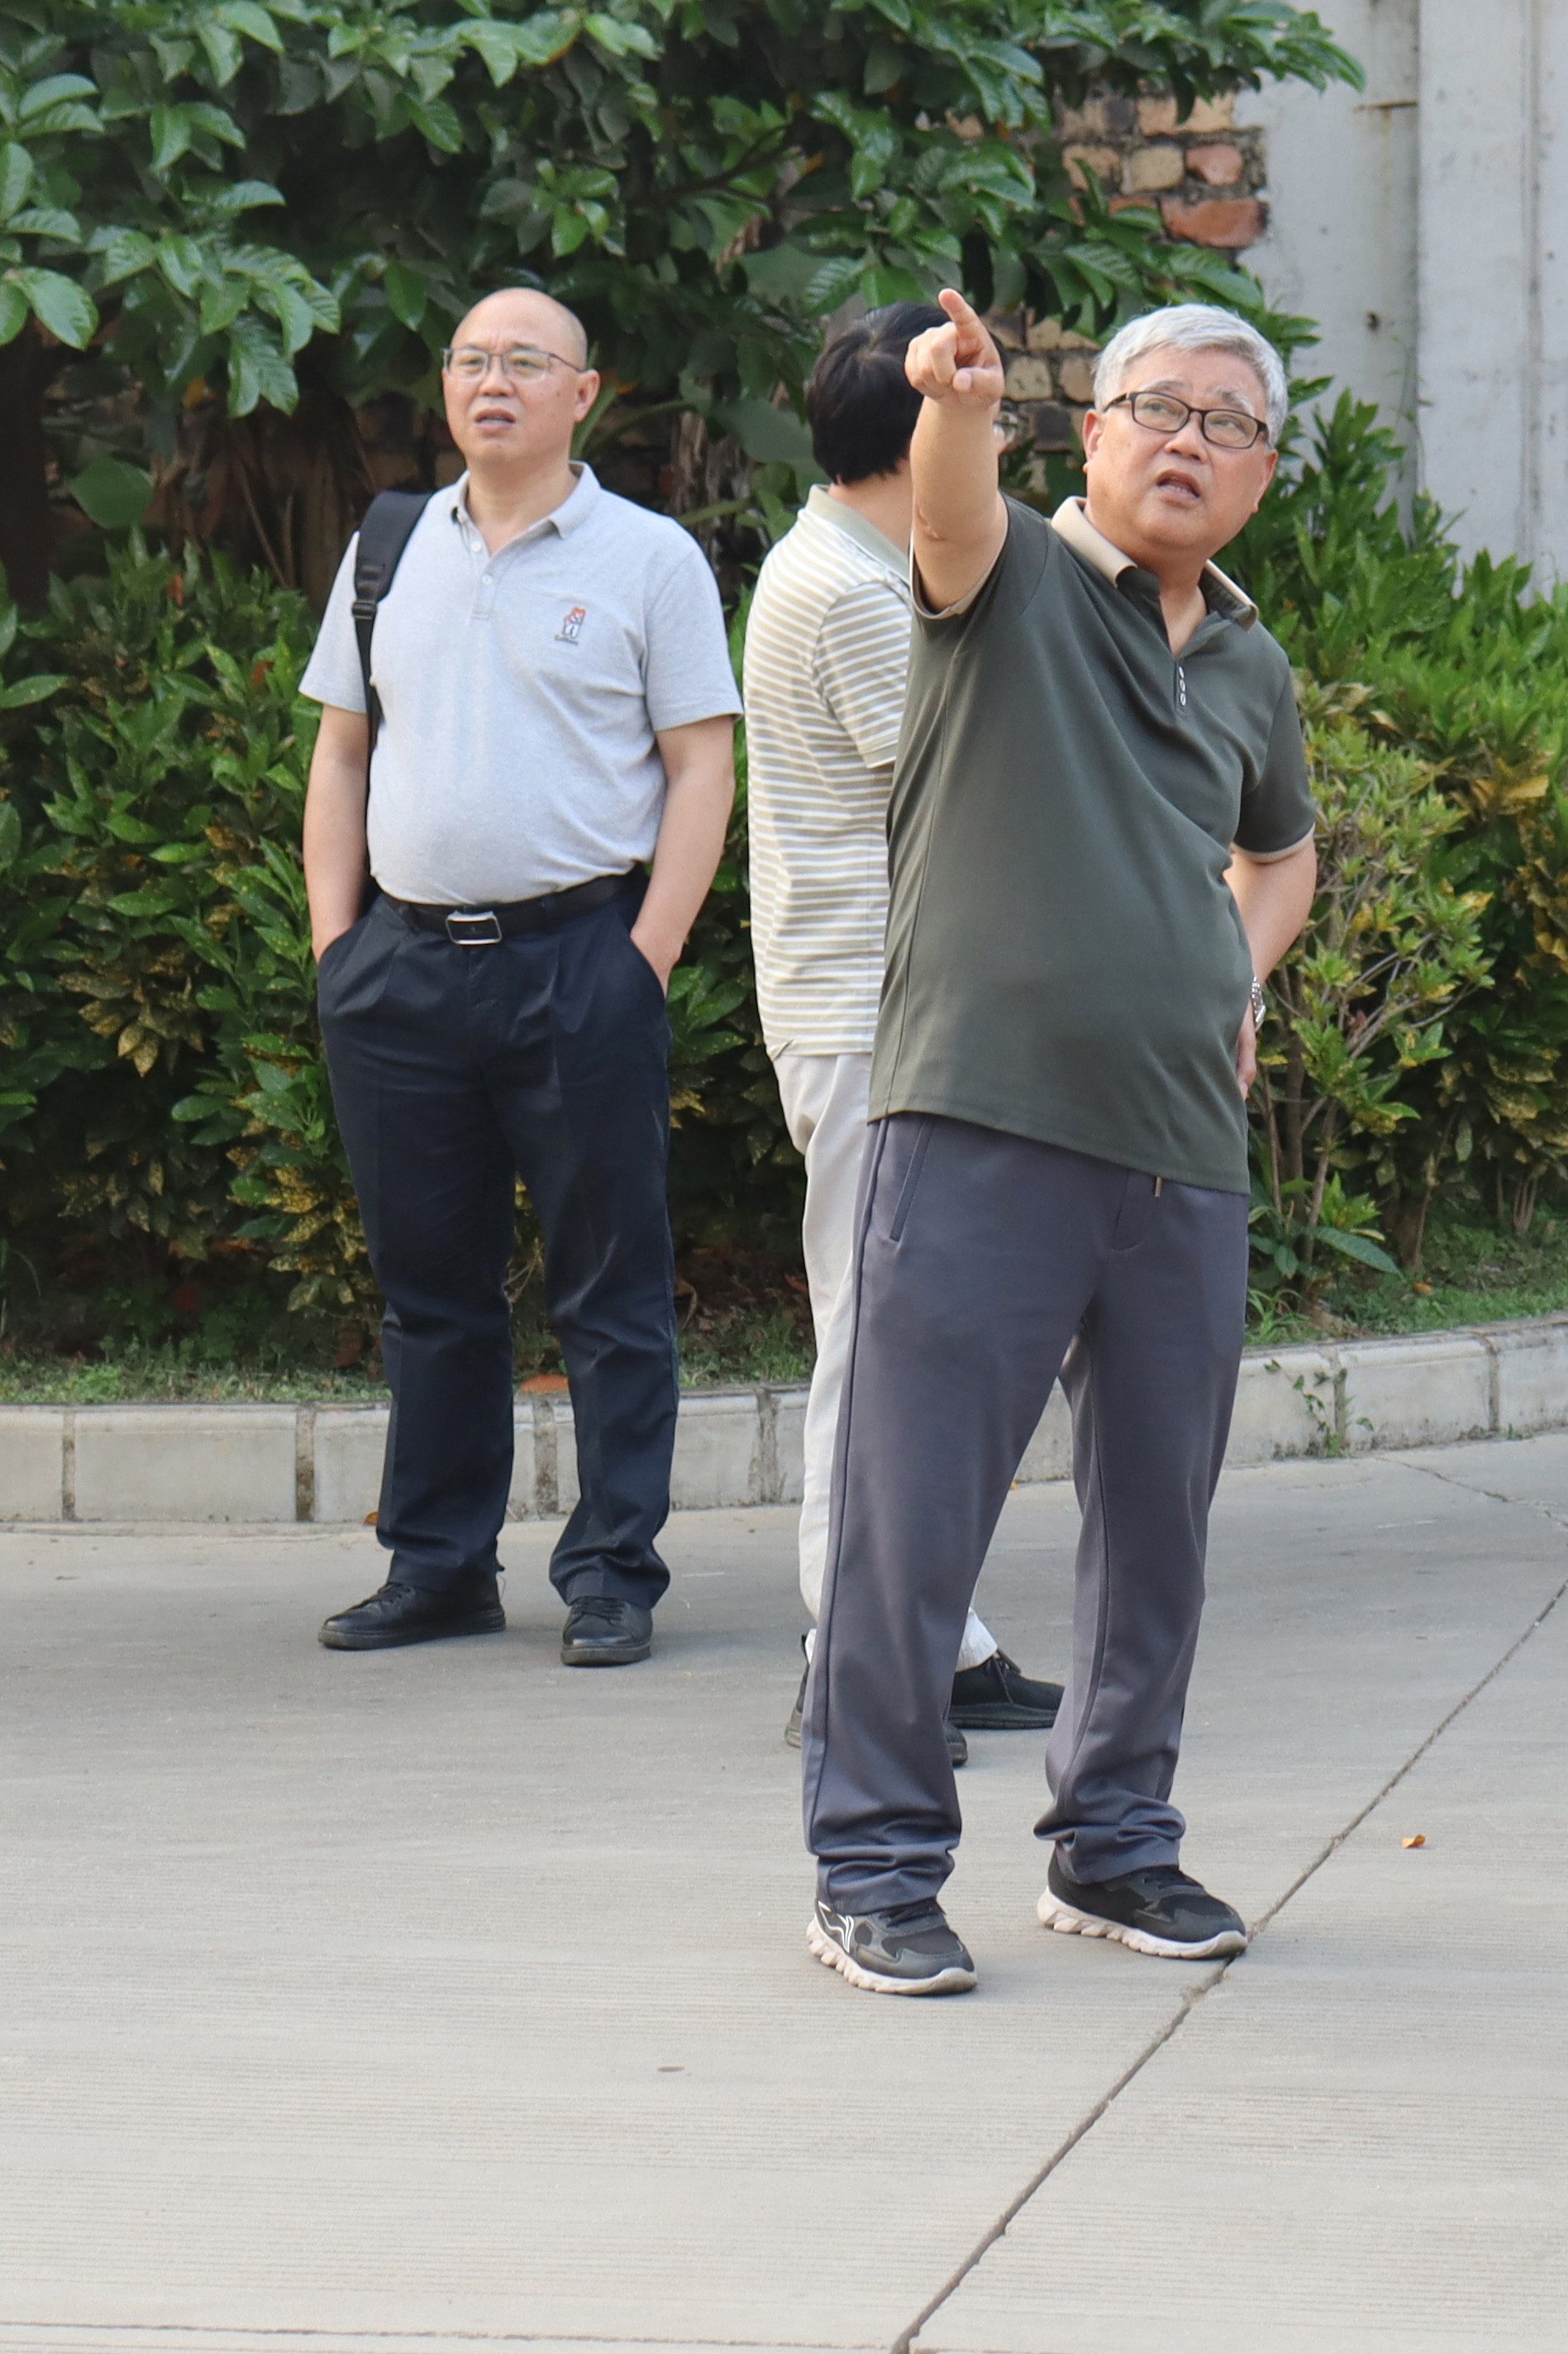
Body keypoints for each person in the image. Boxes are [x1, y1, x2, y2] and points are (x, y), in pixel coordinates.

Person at [798, 291, 1319, 1999]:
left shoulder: (1248, 663)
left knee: (1156, 1529)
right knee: (911, 1515)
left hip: (1181, 1151)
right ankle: (874, 1864)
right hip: (976, 1121)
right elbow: (950, 508)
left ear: (1259, 473)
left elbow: (1281, 852)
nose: (1188, 440)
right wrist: (959, 403)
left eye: (1228, 422)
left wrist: (1236, 974)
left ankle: (1115, 1843)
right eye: (1156, 405)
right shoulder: (1004, 573)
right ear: (1091, 434)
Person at [302, 288, 741, 1670]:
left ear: (583, 393)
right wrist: (337, 949)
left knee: (609, 1287)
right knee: (431, 1291)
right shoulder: (389, 544)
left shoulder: (649, 557)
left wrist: (642, 962)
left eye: (525, 363)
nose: (493, 382)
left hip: (579, 963)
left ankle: (611, 1571)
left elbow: (702, 766)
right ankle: (438, 1565)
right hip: (402, 974)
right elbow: (342, 752)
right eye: (472, 360)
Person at [741, 301, 1065, 1762]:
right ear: (924, 436)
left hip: (886, 1009)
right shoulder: (857, 596)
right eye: (975, 421)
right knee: (877, 1350)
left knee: (907, 1343)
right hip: (877, 1020)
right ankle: (853, 1662)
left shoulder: (845, 560)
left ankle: (943, 1639)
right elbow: (968, 778)